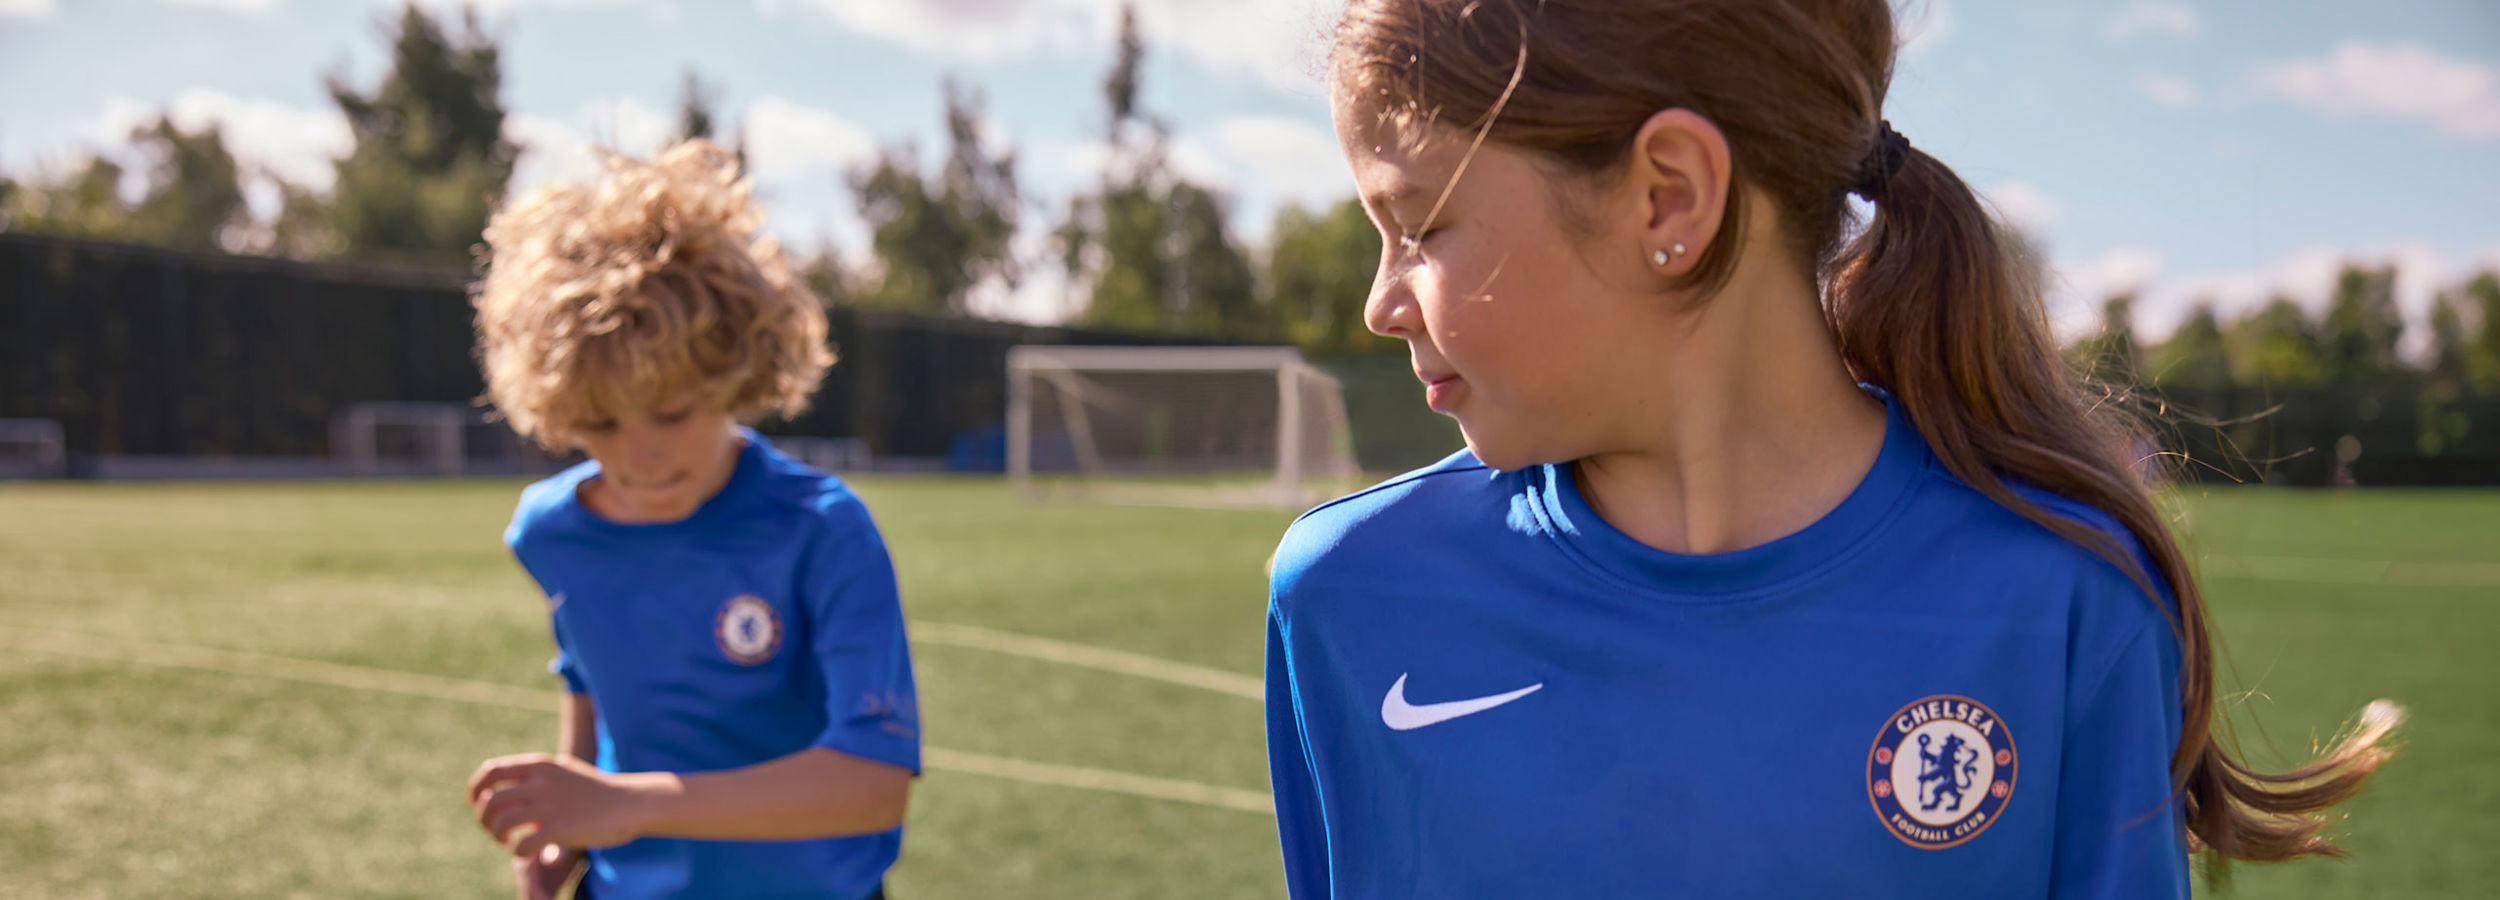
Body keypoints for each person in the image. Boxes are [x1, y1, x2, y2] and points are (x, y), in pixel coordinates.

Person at [1262, 1, 2402, 897]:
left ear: (1669, 197)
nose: (1378, 303)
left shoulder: (2061, 606)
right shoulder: (1352, 596)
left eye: (1416, 225)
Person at [463, 139, 917, 900]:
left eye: (672, 414)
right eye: (601, 424)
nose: (639, 457)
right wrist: (568, 829)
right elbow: (591, 685)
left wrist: (625, 806)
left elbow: (872, 784)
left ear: (737, 373)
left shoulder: (823, 528)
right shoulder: (550, 532)